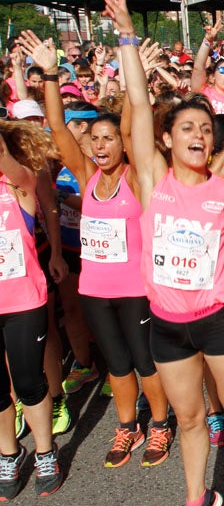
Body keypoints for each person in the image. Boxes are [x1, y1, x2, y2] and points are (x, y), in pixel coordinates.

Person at [98, 0, 224, 506]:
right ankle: (199, 498)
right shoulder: (151, 180)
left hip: (223, 319)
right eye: (187, 128)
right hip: (168, 324)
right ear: (169, 139)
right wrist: (128, 37)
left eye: (205, 128)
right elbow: (135, 104)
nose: (198, 134)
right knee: (192, 417)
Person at [22, 30, 174, 469]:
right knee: (117, 362)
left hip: (135, 289)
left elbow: (133, 122)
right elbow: (55, 127)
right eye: (96, 140)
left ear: (123, 144)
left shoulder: (136, 179)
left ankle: (160, 423)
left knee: (146, 361)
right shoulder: (87, 178)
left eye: (110, 139)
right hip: (95, 290)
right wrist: (50, 74)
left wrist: (135, 77)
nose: (103, 145)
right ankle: (128, 425)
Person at [0, 119, 63, 500]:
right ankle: (10, 452)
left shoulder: (17, 183)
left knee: (27, 382)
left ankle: (45, 451)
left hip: (22, 299)